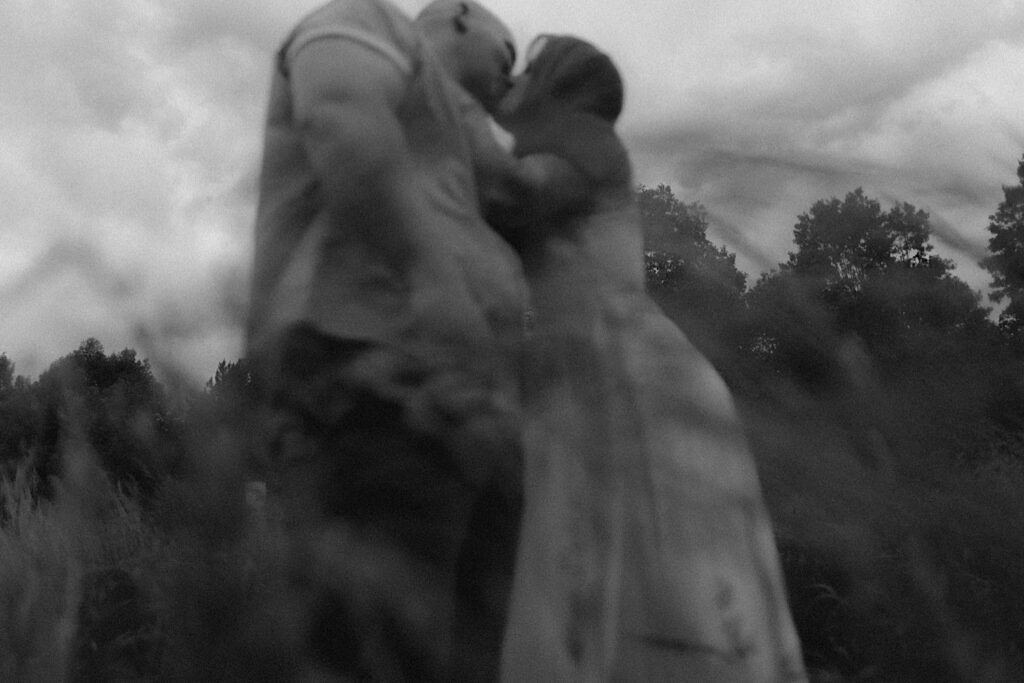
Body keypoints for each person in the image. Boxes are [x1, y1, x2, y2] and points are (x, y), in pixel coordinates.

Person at [490, 36, 809, 681]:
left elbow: (513, 199)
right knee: (617, 575)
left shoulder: (585, 138)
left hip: (623, 373)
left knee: (646, 578)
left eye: (528, 68)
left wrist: (439, 122)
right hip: (600, 367)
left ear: (558, 88)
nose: (513, 79)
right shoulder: (570, 142)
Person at [245, 1, 530, 679]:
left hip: (464, 406)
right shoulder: (370, 20)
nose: (510, 79)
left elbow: (519, 193)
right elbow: (339, 113)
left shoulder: (451, 124)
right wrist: (433, 281)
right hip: (371, 371)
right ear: (461, 16)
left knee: (465, 655)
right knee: (376, 650)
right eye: (508, 54)